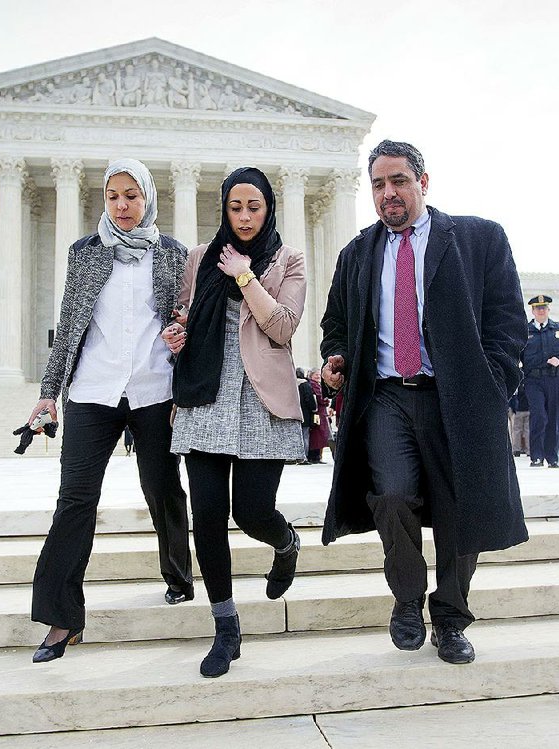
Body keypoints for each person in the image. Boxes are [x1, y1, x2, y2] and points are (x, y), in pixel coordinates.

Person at [320, 140, 528, 665]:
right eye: (378, 184)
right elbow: (336, 325)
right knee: (390, 496)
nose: (388, 193)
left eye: (398, 181)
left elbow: (507, 318)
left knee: (462, 510)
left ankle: (452, 619)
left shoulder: (479, 239)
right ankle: (408, 599)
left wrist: (494, 380)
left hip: (457, 397)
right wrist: (336, 357)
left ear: (423, 182)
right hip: (387, 397)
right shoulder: (357, 253)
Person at [28, 158, 194, 664]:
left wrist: (182, 339)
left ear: (148, 198)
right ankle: (61, 619)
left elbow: (185, 320)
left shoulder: (172, 254)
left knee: (162, 488)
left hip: (153, 387)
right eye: (113, 196)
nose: (122, 205)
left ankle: (178, 575)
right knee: (75, 499)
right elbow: (70, 323)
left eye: (132, 196)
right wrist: (47, 392)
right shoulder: (84, 252)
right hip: (92, 390)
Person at [165, 166, 306, 678]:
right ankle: (226, 626)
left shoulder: (289, 260)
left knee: (251, 512)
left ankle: (285, 543)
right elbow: (184, 313)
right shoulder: (200, 259)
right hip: (205, 395)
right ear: (223, 209)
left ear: (268, 208)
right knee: (207, 517)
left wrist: (244, 274)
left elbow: (283, 327)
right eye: (235, 208)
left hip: (260, 400)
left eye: (254, 207)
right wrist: (175, 333)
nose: (244, 217)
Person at [522, 296, 559, 467]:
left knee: (554, 417)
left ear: (548, 310)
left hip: (556, 379)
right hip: (534, 380)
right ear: (532, 311)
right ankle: (537, 456)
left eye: (544, 308)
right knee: (539, 415)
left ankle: (552, 457)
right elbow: (516, 352)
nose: (541, 311)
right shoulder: (525, 331)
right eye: (538, 308)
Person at [307, 368, 331, 463]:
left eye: (318, 374)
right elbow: (321, 398)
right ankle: (315, 456)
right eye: (316, 375)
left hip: (320, 412)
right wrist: (326, 400)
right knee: (318, 435)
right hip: (318, 413)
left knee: (319, 435)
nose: (318, 376)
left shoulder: (317, 385)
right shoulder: (314, 385)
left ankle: (317, 456)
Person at [295, 367, 317, 464]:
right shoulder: (305, 385)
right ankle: (303, 457)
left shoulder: (291, 383)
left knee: (296, 436)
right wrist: (313, 409)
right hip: (305, 415)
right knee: (305, 436)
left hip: (294, 414)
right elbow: (310, 400)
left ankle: (295, 456)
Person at [509, 381, 530, 457]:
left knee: (517, 430)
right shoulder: (530, 386)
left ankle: (516, 449)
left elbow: (514, 398)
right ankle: (529, 450)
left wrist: (514, 409)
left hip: (518, 410)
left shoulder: (518, 385)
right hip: (528, 409)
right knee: (527, 430)